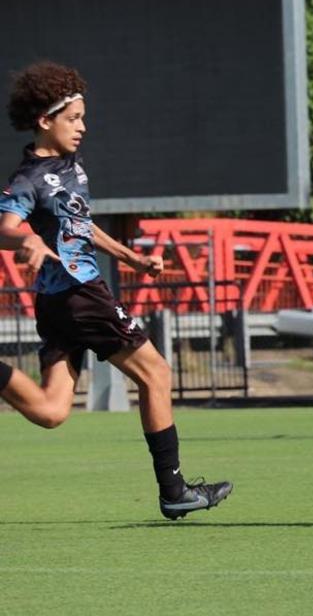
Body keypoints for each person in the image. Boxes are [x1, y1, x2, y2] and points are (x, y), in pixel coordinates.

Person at [1, 61, 232, 519]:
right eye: (73, 118)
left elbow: (80, 225)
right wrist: (24, 239)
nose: (83, 127)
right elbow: (5, 225)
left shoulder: (72, 167)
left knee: (50, 411)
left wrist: (131, 258)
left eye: (84, 117)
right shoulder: (27, 179)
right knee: (157, 374)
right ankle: (174, 490)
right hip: (81, 295)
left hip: (56, 300)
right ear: (45, 121)